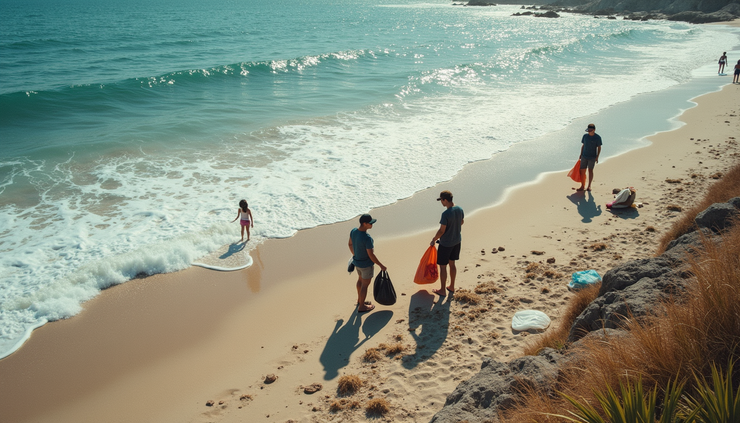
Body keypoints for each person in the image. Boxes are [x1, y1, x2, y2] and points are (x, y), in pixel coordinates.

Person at [348, 214, 386, 313]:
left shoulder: (353, 231)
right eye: (370, 223)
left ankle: (360, 300)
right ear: (364, 224)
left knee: (360, 281)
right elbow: (371, 255)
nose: (372, 225)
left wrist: (355, 254)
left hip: (357, 263)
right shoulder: (367, 238)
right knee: (365, 285)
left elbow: (350, 244)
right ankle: (362, 306)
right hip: (366, 265)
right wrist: (381, 265)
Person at [430, 190, 464, 296]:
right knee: (452, 264)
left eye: (441, 200)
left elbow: (441, 231)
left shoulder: (445, 214)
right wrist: (454, 228)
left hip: (446, 244)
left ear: (445, 200)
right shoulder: (459, 209)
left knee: (443, 267)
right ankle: (452, 286)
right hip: (457, 241)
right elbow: (462, 222)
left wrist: (434, 239)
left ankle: (442, 290)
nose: (441, 203)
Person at [577, 123, 602, 192]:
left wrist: (597, 156)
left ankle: (589, 186)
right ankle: (582, 186)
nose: (589, 132)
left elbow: (599, 147)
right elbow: (583, 145)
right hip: (584, 156)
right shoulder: (585, 136)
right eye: (588, 130)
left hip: (592, 157)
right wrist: (581, 154)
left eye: (590, 130)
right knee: (582, 171)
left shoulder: (597, 137)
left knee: (590, 170)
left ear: (594, 130)